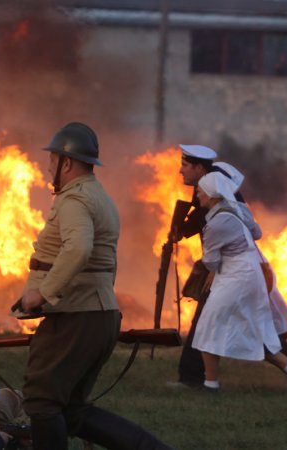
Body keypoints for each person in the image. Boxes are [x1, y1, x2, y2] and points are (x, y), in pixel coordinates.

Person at [14, 122, 173, 450]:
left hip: (76, 315)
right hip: (95, 312)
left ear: (66, 163)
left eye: (52, 160)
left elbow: (79, 249)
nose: (48, 167)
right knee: (71, 409)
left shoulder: (74, 200)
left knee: (42, 401)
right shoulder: (98, 195)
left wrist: (42, 293)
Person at [170, 145, 287, 393]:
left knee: (210, 323)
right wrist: (181, 231)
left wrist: (215, 268)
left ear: (199, 168)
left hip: (233, 269)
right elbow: (202, 219)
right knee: (254, 324)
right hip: (232, 266)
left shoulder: (218, 191)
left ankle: (197, 379)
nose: (180, 170)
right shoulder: (213, 190)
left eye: (185, 165)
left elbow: (235, 233)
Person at [192, 171, 287, 391]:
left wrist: (207, 260)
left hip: (237, 277)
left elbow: (211, 262)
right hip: (244, 274)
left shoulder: (217, 223)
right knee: (244, 328)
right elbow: (255, 232)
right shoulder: (233, 210)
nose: (197, 193)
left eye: (200, 190)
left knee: (209, 325)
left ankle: (210, 385)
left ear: (212, 195)